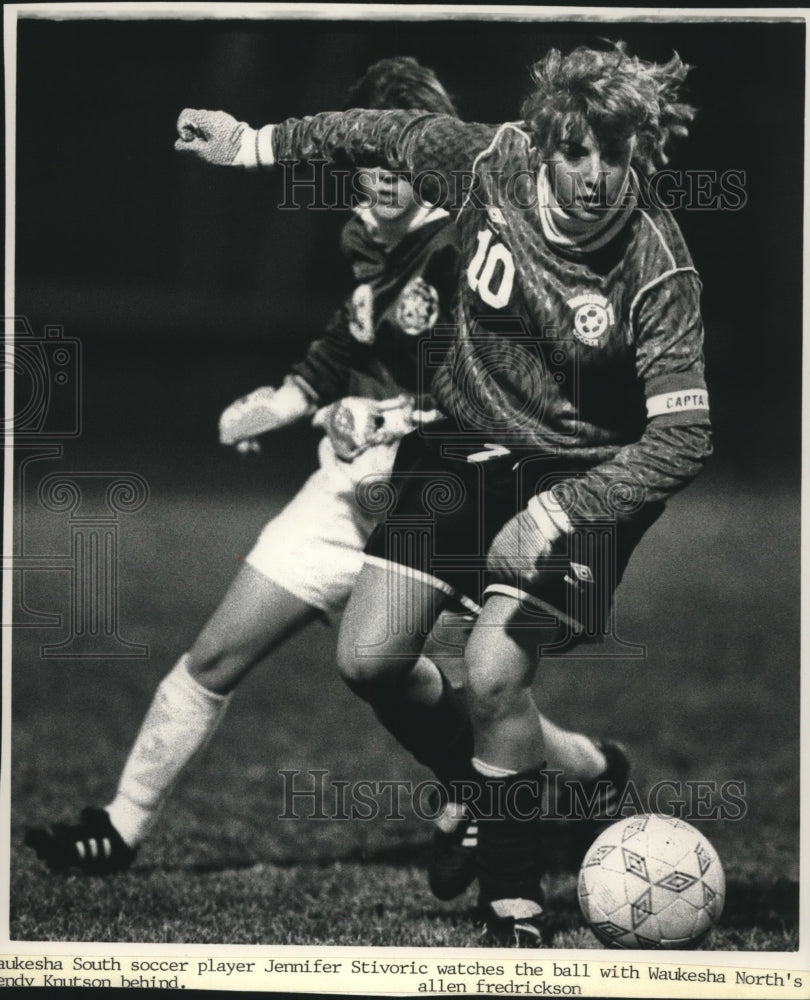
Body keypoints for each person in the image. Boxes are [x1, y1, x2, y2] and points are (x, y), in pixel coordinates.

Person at [25, 58, 624, 898]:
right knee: (215, 655)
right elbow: (353, 337)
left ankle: (519, 798)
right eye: (366, 162)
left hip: (448, 495)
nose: (379, 178)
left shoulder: (468, 246)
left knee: (475, 687)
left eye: (396, 163)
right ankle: (120, 827)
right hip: (349, 492)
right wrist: (292, 394)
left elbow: (491, 393)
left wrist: (379, 420)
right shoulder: (368, 235)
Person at [171, 41, 711, 946]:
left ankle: (513, 899)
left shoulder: (656, 266)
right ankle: (531, 785)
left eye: (616, 155)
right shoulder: (488, 160)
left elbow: (684, 438)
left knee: (496, 671)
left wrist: (554, 513)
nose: (596, 176)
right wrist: (248, 144)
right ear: (544, 141)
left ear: (639, 153)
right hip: (460, 440)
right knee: (369, 660)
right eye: (576, 151)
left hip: (582, 473)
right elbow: (373, 127)